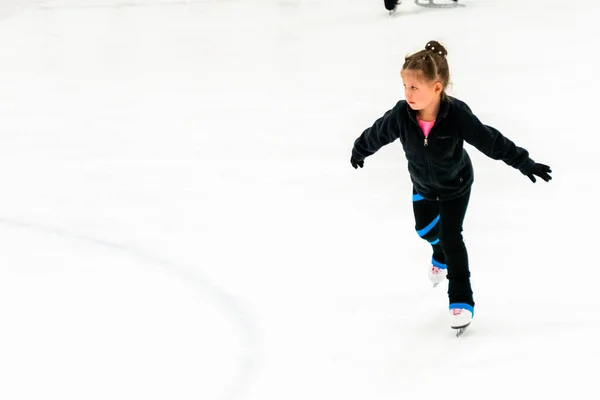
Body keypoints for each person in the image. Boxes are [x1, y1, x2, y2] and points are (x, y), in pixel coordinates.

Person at [350, 40, 552, 332]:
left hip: (456, 185)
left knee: (451, 236)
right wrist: (360, 149)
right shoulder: (401, 115)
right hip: (422, 184)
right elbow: (378, 132)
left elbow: (491, 141)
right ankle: (438, 255)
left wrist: (524, 163)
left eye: (415, 88)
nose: (408, 94)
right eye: (405, 86)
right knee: (425, 231)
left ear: (437, 87)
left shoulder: (456, 115)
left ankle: (461, 301)